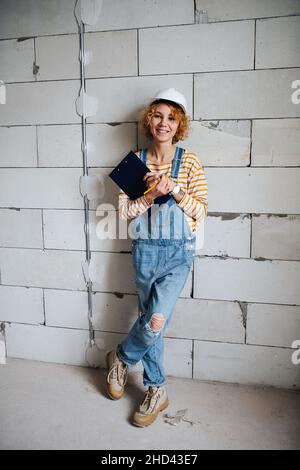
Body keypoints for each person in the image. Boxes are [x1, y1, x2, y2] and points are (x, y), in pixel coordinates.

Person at [106, 88, 208, 427]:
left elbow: (201, 211)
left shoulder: (189, 161)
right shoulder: (134, 162)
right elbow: (124, 213)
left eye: (171, 117)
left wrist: (174, 188)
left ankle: (120, 357)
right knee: (153, 325)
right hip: (146, 254)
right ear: (149, 120)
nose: (163, 123)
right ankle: (156, 389)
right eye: (158, 115)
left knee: (155, 321)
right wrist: (151, 194)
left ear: (179, 124)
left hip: (179, 255)